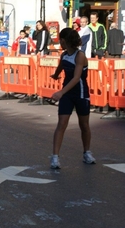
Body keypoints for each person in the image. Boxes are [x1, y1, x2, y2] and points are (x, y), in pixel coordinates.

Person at [49, 28, 95, 169]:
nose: (59, 42)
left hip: (80, 93)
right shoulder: (64, 55)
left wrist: (61, 92)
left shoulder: (79, 55)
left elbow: (76, 78)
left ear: (64, 40)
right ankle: (55, 157)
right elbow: (61, 67)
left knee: (84, 125)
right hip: (68, 94)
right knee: (62, 124)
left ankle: (86, 152)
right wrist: (56, 75)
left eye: (60, 40)